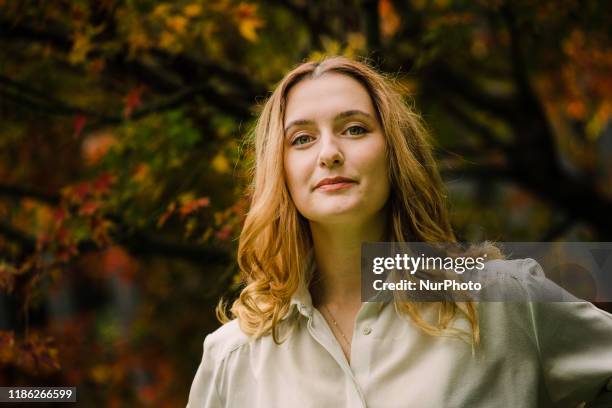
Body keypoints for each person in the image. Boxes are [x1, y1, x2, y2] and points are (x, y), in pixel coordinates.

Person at [186, 56, 612, 407]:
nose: (329, 153)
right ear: (279, 170)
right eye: (301, 139)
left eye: (355, 129)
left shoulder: (503, 300)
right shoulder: (234, 355)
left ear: (395, 154)